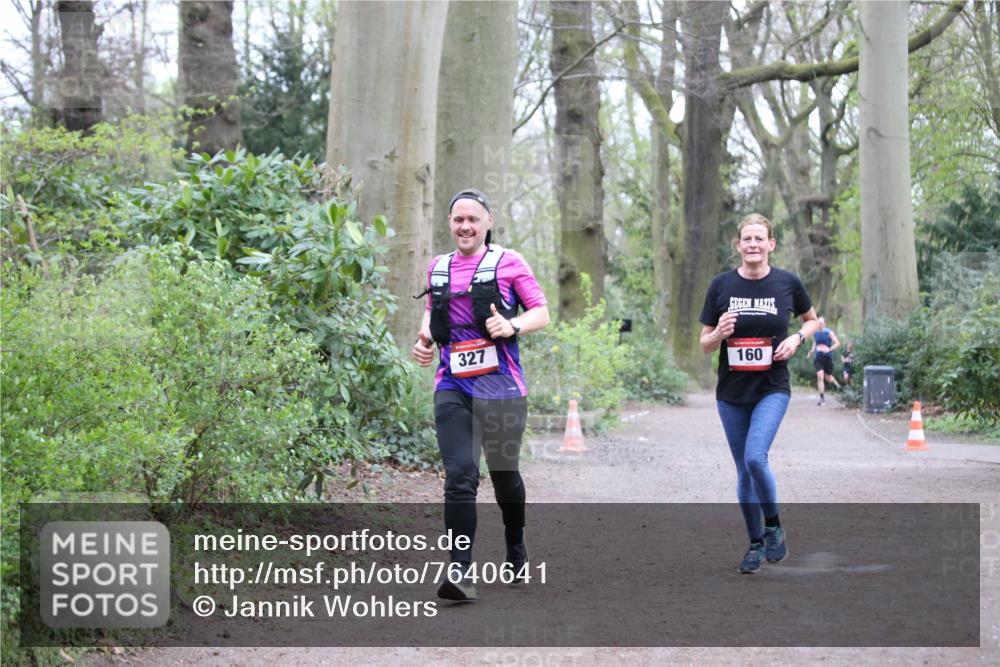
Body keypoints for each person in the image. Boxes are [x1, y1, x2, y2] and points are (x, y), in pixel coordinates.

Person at [412, 188, 550, 602]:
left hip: (502, 388)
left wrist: (513, 327)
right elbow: (431, 317)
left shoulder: (508, 262)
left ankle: (515, 543)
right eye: (458, 220)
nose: (465, 226)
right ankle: (459, 571)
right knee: (460, 477)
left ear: (488, 222)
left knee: (504, 477)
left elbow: (542, 311)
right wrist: (422, 341)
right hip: (452, 385)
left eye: (473, 219)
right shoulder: (438, 267)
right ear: (450, 224)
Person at [699, 213, 820, 574]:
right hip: (731, 392)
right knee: (742, 471)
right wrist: (718, 333)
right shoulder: (721, 285)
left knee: (755, 458)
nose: (753, 245)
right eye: (746, 239)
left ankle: (773, 524)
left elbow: (813, 319)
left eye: (759, 238)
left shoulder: (787, 283)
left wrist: (797, 338)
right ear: (737, 245)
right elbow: (704, 345)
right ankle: (754, 543)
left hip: (772, 386)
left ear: (771, 244)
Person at [807, 316, 841, 406]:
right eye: (818, 323)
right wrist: (811, 351)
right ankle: (822, 399)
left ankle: (837, 385)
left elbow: (837, 343)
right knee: (820, 376)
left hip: (827, 358)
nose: (820, 325)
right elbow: (815, 343)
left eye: (821, 323)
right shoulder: (815, 333)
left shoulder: (829, 332)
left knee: (828, 378)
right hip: (818, 357)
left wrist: (829, 349)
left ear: (824, 324)